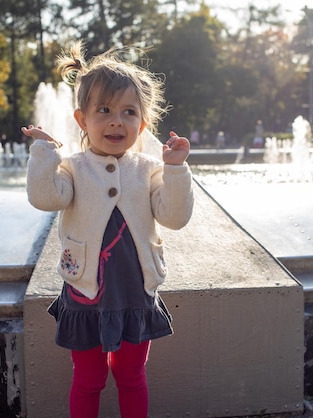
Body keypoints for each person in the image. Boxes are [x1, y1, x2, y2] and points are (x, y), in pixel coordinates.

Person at [21, 42, 194, 418]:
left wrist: (177, 169)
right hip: (86, 293)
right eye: (104, 110)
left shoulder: (148, 169)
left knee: (132, 375)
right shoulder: (73, 168)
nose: (116, 121)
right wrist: (44, 154)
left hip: (135, 293)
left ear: (142, 124)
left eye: (128, 112)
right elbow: (45, 198)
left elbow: (175, 217)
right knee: (88, 379)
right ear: (82, 120)